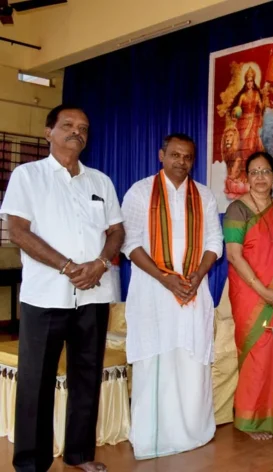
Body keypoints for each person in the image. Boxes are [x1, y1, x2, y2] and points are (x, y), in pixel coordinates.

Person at [1, 104, 124, 472]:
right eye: (68, 125)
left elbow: (116, 231)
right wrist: (67, 267)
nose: (77, 132)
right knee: (36, 381)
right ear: (48, 132)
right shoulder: (28, 175)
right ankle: (31, 463)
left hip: (94, 294)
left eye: (83, 128)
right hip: (45, 296)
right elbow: (18, 231)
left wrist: (101, 263)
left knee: (87, 376)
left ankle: (80, 455)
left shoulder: (100, 181)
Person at [121, 133, 223, 459]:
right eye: (175, 155)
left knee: (191, 362)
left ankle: (193, 433)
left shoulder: (204, 195)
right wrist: (164, 278)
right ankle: (154, 438)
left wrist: (198, 275)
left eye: (188, 157)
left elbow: (214, 242)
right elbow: (130, 243)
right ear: (161, 155)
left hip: (193, 289)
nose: (181, 161)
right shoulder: (140, 192)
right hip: (153, 292)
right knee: (157, 360)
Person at [223, 151, 273, 440]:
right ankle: (251, 421)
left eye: (266, 172)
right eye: (254, 172)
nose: (260, 177)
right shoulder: (237, 210)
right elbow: (234, 255)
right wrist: (264, 292)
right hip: (250, 293)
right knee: (257, 353)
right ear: (247, 178)